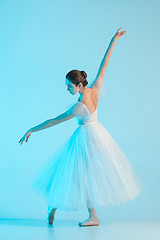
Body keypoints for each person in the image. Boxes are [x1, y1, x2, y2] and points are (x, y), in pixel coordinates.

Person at [18, 27, 143, 227]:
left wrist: (31, 129)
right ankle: (79, 211)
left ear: (78, 85)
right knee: (83, 177)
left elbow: (54, 121)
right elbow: (104, 64)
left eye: (69, 86)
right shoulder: (95, 89)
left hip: (86, 140)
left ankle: (63, 207)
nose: (67, 89)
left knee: (81, 177)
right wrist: (114, 40)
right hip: (97, 136)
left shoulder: (79, 105)